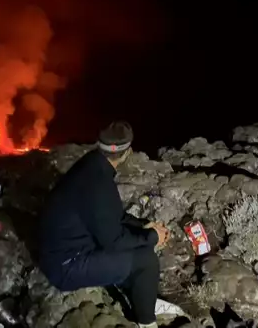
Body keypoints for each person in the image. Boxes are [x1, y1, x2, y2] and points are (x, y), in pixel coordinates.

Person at [38, 121, 170, 328]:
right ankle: (147, 323)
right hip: (66, 266)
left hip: (64, 250)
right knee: (146, 259)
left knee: (138, 244)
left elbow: (112, 216)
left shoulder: (90, 165)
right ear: (127, 153)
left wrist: (143, 225)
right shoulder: (98, 183)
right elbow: (113, 241)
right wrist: (152, 237)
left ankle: (144, 297)